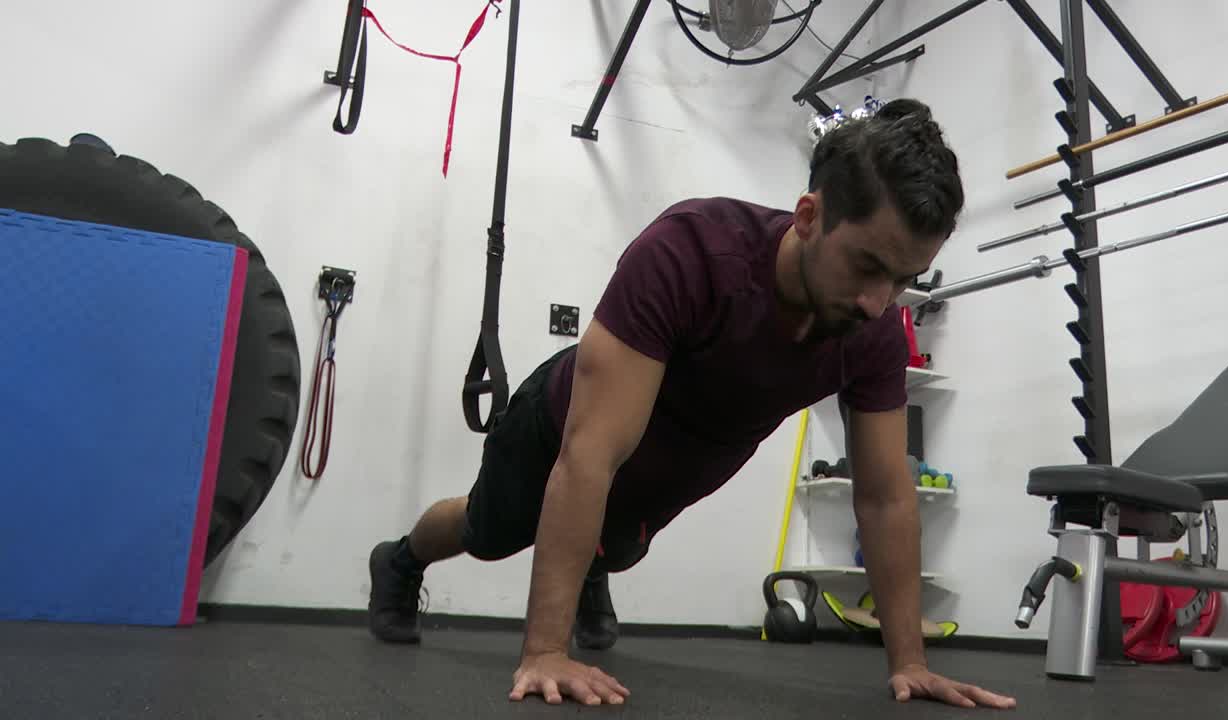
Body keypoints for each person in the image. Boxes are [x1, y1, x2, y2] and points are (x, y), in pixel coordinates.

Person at [367, 98, 1016, 710]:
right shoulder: (694, 252)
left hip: (666, 476)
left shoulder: (868, 331)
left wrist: (910, 662)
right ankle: (399, 560)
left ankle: (593, 561)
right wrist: (545, 651)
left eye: (903, 281)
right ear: (809, 217)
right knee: (488, 531)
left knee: (615, 549)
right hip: (561, 430)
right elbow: (590, 453)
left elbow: (884, 494)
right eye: (867, 266)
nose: (880, 302)